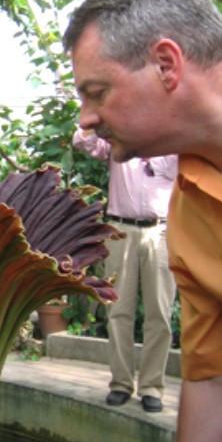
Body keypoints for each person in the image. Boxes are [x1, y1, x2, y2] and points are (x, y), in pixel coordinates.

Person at [62, 0, 222, 442]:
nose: (86, 116)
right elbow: (217, 376)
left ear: (166, 64)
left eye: (96, 91)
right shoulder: (192, 207)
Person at [73, 128, 177, 412]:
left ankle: (152, 387)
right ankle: (120, 383)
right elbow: (82, 141)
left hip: (161, 231)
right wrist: (101, 115)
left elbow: (179, 171)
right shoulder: (118, 137)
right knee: (118, 310)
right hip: (121, 229)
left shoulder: (171, 138)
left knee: (160, 314)